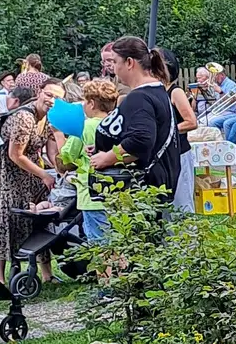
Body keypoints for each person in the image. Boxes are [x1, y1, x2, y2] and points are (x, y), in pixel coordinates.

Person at [90, 36, 183, 204]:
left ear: (130, 62)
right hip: (154, 186)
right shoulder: (157, 91)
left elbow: (141, 140)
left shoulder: (140, 97)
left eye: (116, 61)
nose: (115, 69)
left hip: (140, 191)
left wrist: (107, 158)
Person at [0, 80, 64, 283]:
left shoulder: (49, 118)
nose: (52, 100)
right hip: (11, 178)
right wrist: (44, 174)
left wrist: (63, 170)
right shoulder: (24, 117)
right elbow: (15, 155)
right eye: (49, 95)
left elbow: (53, 153)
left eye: (57, 98)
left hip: (33, 176)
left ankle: (47, 274)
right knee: (7, 224)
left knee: (38, 224)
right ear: (40, 92)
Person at [58, 78, 118, 243]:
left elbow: (66, 157)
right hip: (117, 195)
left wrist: (58, 134)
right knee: (117, 244)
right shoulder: (117, 123)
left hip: (92, 197)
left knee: (100, 248)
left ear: (91, 103)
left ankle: (104, 271)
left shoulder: (85, 126)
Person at [158, 49, 200, 212]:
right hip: (164, 156)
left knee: (181, 201)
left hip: (180, 154)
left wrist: (167, 131)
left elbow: (191, 122)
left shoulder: (175, 92)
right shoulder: (156, 91)